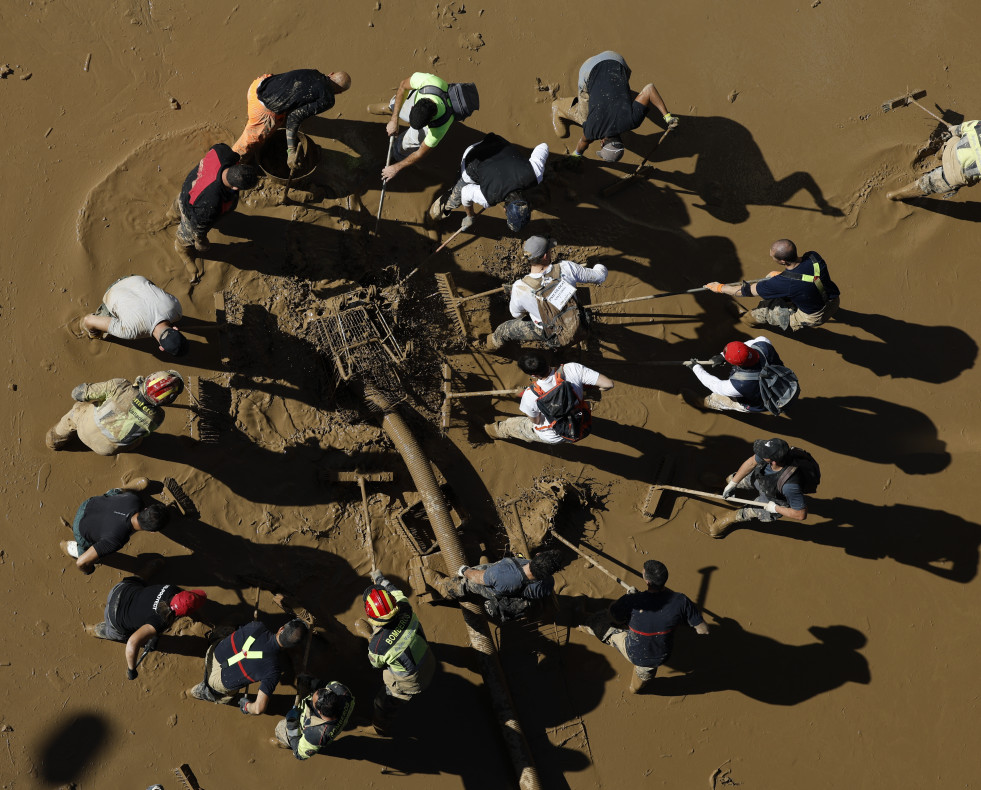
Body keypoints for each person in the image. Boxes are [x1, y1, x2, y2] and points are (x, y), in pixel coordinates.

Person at [579, 560, 709, 693]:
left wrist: (627, 597)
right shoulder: (681, 600)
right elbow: (703, 630)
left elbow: (614, 617)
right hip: (661, 655)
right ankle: (636, 688)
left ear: (647, 581)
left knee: (600, 621)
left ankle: (583, 625)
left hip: (635, 653)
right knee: (637, 687)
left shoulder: (632, 601)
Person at [486, 235, 608, 351]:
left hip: (551, 332)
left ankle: (487, 346)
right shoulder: (566, 268)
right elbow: (600, 277)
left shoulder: (519, 287)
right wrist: (597, 265)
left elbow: (516, 314)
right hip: (577, 321)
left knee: (503, 330)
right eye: (550, 250)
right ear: (545, 256)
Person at [551, 51, 677, 162]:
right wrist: (576, 154)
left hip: (616, 59)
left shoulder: (632, 121)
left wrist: (667, 116)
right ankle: (558, 107)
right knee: (583, 118)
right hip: (589, 67)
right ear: (602, 142)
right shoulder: (591, 129)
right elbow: (584, 141)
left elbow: (649, 89)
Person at [357, 570, 438, 735]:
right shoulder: (405, 608)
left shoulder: (377, 647)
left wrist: (370, 636)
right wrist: (379, 578)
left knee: (382, 703)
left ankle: (380, 727)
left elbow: (376, 664)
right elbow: (394, 590)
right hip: (429, 662)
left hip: (412, 684)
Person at [85, 574, 206, 680]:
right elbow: (133, 642)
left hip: (119, 590)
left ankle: (151, 566)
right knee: (118, 634)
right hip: (113, 617)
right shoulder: (160, 621)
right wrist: (131, 669)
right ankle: (95, 630)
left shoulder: (171, 588)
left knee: (139, 581)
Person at [704, 239, 841, 332]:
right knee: (796, 287)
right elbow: (802, 274)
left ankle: (747, 319)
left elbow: (745, 291)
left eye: (773, 257)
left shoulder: (782, 283)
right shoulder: (813, 256)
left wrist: (720, 287)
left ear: (782, 261)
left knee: (763, 311)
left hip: (815, 316)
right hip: (833, 300)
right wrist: (783, 276)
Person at [429, 133, 549, 233]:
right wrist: (470, 215)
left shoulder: (535, 174)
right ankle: (431, 218)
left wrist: (521, 163)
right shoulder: (488, 198)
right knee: (454, 200)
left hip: (495, 142)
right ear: (505, 210)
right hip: (472, 156)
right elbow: (466, 192)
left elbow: (543, 146)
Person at [45, 370, 185, 455]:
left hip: (85, 428)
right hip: (105, 449)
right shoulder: (158, 417)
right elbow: (134, 413)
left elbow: (77, 393)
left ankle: (54, 440)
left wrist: (133, 387)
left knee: (79, 407)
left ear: (148, 379)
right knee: (138, 440)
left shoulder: (120, 386)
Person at [484, 353, 613, 444]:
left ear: (533, 375)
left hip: (553, 435)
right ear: (546, 361)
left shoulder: (530, 395)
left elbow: (536, 421)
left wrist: (524, 394)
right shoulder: (573, 368)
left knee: (514, 425)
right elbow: (608, 384)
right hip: (580, 422)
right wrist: (584, 392)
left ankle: (490, 431)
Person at [174, 143, 259, 281]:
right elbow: (198, 226)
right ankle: (181, 247)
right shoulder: (212, 203)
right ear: (235, 188)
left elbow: (217, 149)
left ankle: (171, 215)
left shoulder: (222, 152)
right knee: (187, 233)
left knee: (178, 203)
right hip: (192, 210)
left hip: (189, 188)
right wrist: (200, 241)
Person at [189, 618, 308, 714]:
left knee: (232, 632)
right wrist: (247, 706)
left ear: (281, 629)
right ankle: (200, 692)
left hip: (212, 654)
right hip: (218, 682)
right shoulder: (273, 670)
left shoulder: (257, 626)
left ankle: (213, 635)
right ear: (292, 647)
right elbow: (258, 708)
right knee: (223, 694)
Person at [231, 69, 352, 161]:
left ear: (331, 74)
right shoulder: (328, 100)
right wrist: (291, 151)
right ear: (340, 92)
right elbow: (293, 118)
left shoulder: (314, 72)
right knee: (250, 141)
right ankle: (228, 164)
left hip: (258, 84)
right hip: (260, 108)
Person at [702, 437, 811, 538]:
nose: (759, 454)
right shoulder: (772, 452)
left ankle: (732, 517)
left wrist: (775, 508)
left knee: (750, 511)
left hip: (775, 498)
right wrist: (733, 483)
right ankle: (724, 483)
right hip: (762, 478)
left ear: (773, 461)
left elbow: (801, 514)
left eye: (763, 454)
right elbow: (751, 463)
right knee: (735, 479)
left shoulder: (790, 486)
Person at [368, 72, 463, 182]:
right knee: (398, 104)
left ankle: (397, 154)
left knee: (405, 145)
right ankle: (391, 109)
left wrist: (397, 167)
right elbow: (403, 85)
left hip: (432, 121)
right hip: (417, 101)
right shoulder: (428, 82)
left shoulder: (439, 128)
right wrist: (394, 119)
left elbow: (421, 152)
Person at [58, 487, 171, 575]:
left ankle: (130, 486)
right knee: (89, 556)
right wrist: (88, 570)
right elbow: (81, 562)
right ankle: (69, 548)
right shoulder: (116, 540)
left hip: (88, 504)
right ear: (152, 532)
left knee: (117, 493)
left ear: (146, 509)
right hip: (80, 530)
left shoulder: (135, 500)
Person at [428, 550, 563, 622]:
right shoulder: (549, 583)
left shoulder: (502, 573)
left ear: (538, 555)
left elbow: (477, 577)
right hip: (515, 595)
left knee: (467, 584)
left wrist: (464, 570)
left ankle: (445, 590)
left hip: (495, 586)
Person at [79, 275, 188, 356]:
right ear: (161, 348)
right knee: (100, 326)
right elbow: (88, 320)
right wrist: (94, 334)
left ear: (175, 328)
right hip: (112, 291)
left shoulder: (177, 310)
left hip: (135, 278)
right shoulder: (130, 331)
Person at [887, 120, 981, 201]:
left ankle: (938, 157)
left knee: (953, 138)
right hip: (954, 174)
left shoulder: (977, 124)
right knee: (927, 185)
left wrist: (953, 129)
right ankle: (893, 195)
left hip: (950, 150)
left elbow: (955, 130)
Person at [682, 337, 783, 413]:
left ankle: (700, 402)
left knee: (718, 398)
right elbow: (747, 344)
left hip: (761, 402)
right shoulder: (764, 343)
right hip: (782, 383)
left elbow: (715, 386)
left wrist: (695, 367)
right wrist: (723, 355)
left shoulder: (739, 385)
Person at [272, 676, 355, 759]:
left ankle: (283, 742)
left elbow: (299, 754)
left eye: (312, 701)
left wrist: (292, 726)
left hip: (305, 731)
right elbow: (325, 684)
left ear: (318, 712)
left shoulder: (314, 735)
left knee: (281, 727)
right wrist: (310, 682)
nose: (311, 698)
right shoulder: (343, 692)